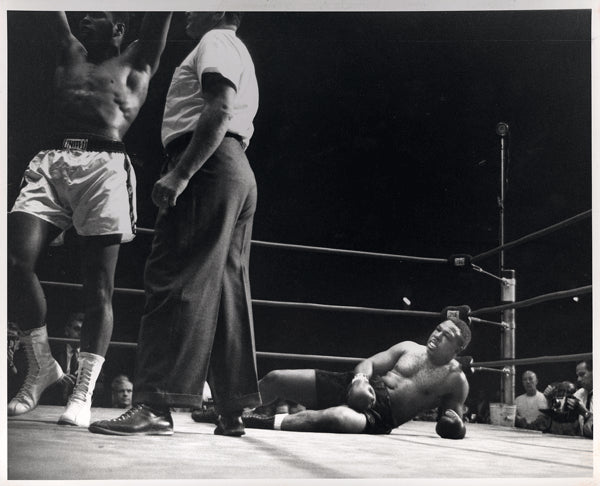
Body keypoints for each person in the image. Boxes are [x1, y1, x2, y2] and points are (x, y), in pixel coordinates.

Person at [88, 11, 261, 438]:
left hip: (207, 163)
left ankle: (154, 405)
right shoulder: (236, 47)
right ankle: (231, 408)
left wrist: (181, 173)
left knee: (172, 275)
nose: (187, 9)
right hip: (234, 166)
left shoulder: (216, 42)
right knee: (225, 289)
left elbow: (219, 108)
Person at [7, 11, 173, 427]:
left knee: (97, 286)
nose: (83, 19)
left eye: (94, 17)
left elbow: (160, 17)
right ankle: (42, 365)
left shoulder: (138, 60)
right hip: (51, 160)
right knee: (13, 263)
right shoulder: (70, 49)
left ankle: (82, 391)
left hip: (105, 163)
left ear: (117, 28)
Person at [243, 318, 471, 438]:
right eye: (438, 329)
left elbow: (452, 424)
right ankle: (229, 407)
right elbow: (368, 363)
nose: (437, 335)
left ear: (457, 349)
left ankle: (252, 421)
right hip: (357, 386)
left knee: (338, 418)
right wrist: (360, 380)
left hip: (380, 416)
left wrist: (454, 428)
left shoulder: (455, 380)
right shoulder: (409, 347)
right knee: (276, 379)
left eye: (446, 336)